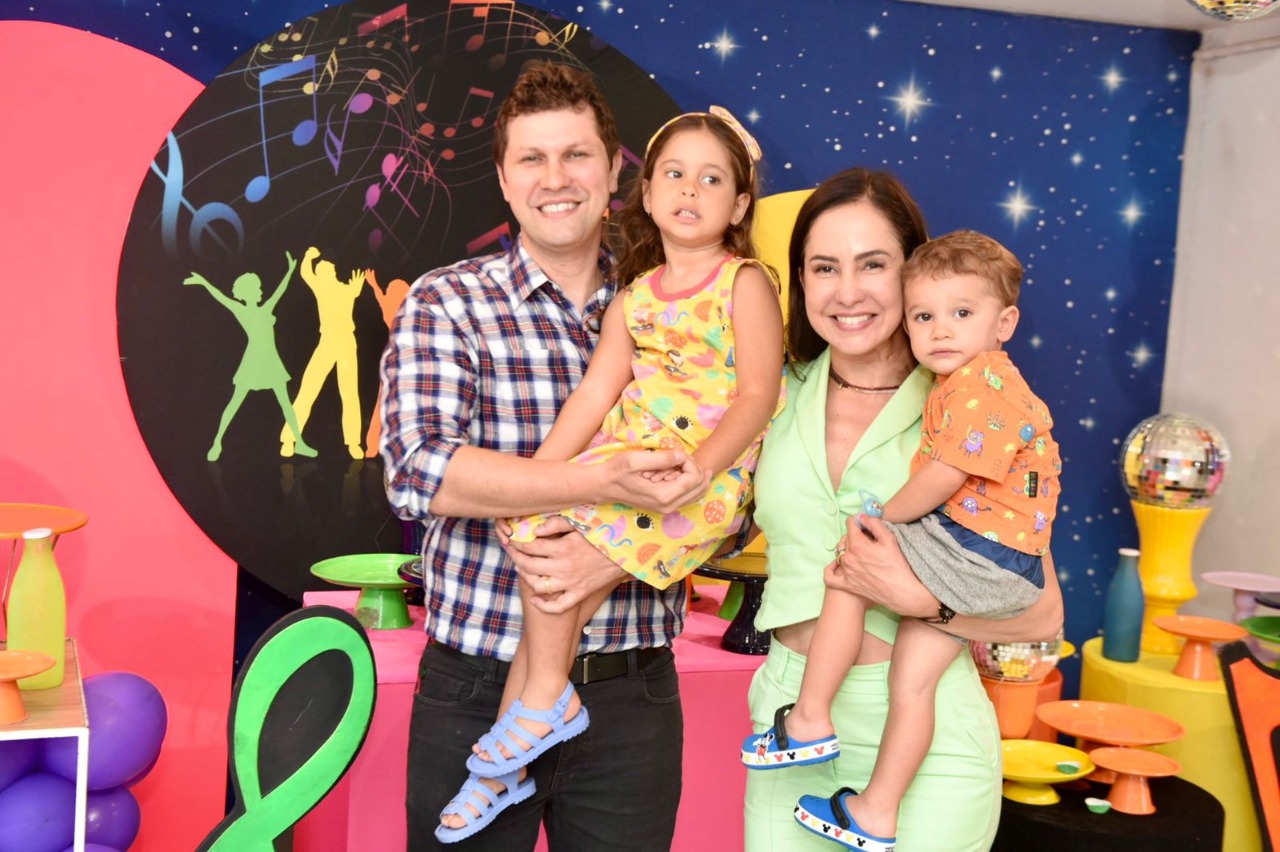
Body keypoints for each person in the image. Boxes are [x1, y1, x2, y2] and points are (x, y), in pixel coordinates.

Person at [379, 61, 712, 851]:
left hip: (629, 698)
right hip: (477, 685)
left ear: (614, 172)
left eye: (576, 155)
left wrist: (609, 561)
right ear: (503, 179)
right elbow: (420, 470)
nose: (556, 178)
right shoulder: (447, 302)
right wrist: (597, 481)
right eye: (532, 158)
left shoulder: (680, 312)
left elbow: (729, 492)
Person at [447, 105, 784, 838]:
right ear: (647, 193)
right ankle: (514, 746)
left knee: (561, 576)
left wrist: (702, 469)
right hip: (630, 458)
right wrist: (535, 482)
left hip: (702, 474)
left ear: (738, 206)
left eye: (712, 179)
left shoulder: (744, 283)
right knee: (541, 548)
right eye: (675, 174)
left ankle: (527, 726)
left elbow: (760, 393)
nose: (690, 189)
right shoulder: (632, 298)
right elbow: (596, 393)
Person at [740, 168, 1064, 851]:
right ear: (800, 280)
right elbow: (699, 514)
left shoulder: (973, 405)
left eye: (873, 264)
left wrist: (920, 603)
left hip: (928, 733)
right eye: (824, 267)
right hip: (790, 721)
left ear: (913, 271)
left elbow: (1042, 615)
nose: (847, 291)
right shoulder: (771, 393)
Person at [183, 251, 317, 462]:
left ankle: (298, 442)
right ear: (249, 292)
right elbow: (221, 298)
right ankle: (217, 442)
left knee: (285, 404)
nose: (261, 291)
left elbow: (280, 291)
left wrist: (290, 270)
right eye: (258, 289)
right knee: (235, 403)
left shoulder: (266, 308)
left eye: (260, 288)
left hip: (271, 360)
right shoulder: (242, 310)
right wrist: (204, 283)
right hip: (254, 360)